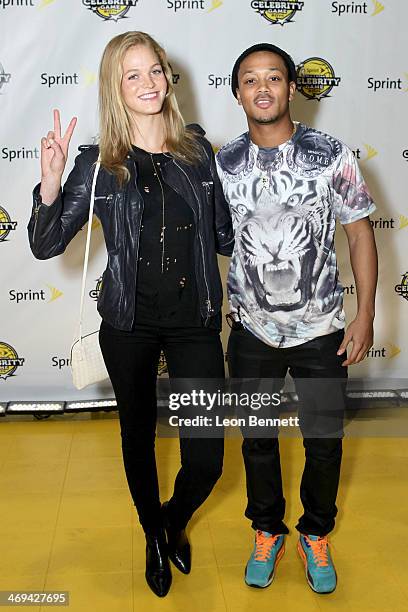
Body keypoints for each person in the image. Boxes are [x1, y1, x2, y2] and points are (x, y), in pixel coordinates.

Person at [27, 31, 233, 598]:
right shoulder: (98, 162)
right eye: (132, 74)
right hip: (128, 322)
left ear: (169, 77)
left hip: (195, 318)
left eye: (155, 70)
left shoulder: (197, 148)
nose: (148, 83)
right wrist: (49, 186)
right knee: (137, 438)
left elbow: (223, 235)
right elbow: (47, 245)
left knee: (207, 458)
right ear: (115, 88)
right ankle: (151, 535)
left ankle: (173, 518)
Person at [215, 43, 378, 594]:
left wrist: (365, 315)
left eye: (275, 77)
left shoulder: (331, 152)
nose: (263, 88)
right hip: (251, 330)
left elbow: (359, 233)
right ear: (237, 92)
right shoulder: (222, 163)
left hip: (323, 327)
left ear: (290, 87)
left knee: (325, 439)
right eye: (251, 79)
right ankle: (267, 528)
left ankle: (315, 532)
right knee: (256, 439)